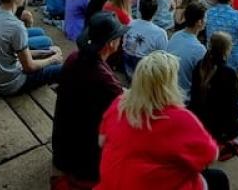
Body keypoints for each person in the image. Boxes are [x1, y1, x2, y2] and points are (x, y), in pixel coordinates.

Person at [96, 50, 229, 190]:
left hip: (111, 183)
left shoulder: (120, 103)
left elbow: (101, 140)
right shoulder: (180, 118)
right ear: (169, 85)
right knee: (218, 178)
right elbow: (210, 154)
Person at [51, 12, 126, 190]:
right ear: (111, 44)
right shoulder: (107, 83)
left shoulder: (73, 58)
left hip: (62, 147)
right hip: (85, 162)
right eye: (119, 36)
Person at [0, 0, 63, 95]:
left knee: (49, 50)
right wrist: (52, 59)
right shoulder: (16, 26)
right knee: (62, 68)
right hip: (9, 85)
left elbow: (15, 53)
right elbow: (29, 67)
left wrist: (46, 52)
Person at [190, 32, 238, 143]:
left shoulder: (201, 64)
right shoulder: (228, 73)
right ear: (226, 50)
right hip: (221, 127)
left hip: (200, 117)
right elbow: (234, 109)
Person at [122, 0, 169, 80]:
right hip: (145, 77)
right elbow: (162, 61)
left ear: (139, 8)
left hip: (128, 71)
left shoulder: (130, 24)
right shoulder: (160, 33)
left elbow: (124, 47)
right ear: (155, 12)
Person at [166, 2, 207, 101]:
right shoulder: (200, 50)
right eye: (205, 18)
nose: (206, 21)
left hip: (167, 89)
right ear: (199, 22)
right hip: (182, 98)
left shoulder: (176, 35)